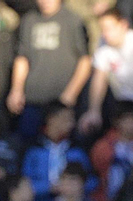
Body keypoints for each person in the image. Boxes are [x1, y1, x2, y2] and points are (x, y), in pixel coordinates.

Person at [8, 0, 90, 141]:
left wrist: (71, 93)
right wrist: (16, 90)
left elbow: (85, 60)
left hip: (61, 103)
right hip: (32, 101)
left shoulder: (73, 20)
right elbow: (22, 58)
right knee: (29, 147)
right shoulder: (29, 20)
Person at [83, 9, 133, 137]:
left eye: (108, 28)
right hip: (122, 106)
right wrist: (94, 111)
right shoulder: (103, 48)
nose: (105, 34)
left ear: (123, 25)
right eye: (102, 29)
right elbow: (99, 79)